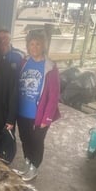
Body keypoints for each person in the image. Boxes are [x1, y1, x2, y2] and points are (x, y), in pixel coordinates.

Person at [14, 29, 60, 182]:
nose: (34, 47)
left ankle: (34, 168)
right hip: (22, 112)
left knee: (37, 142)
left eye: (37, 44)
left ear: (43, 46)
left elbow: (54, 96)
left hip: (39, 115)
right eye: (31, 44)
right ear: (28, 46)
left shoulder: (50, 67)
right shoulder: (24, 62)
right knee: (25, 139)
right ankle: (27, 164)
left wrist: (46, 118)